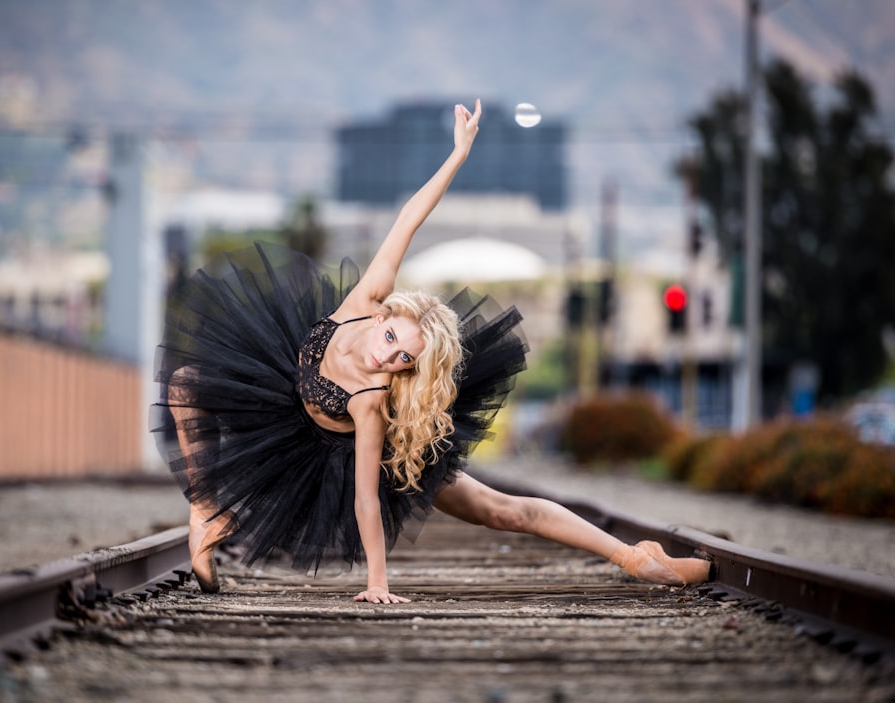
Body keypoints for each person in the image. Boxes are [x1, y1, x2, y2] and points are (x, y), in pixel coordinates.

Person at [152, 99, 711, 604]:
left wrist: (377, 584)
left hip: (368, 451)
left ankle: (635, 558)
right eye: (390, 340)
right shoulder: (364, 300)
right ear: (384, 314)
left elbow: (365, 501)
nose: (386, 357)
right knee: (185, 383)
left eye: (403, 361)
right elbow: (408, 218)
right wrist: (457, 155)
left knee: (503, 510)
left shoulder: (371, 400)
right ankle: (207, 511)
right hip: (286, 400)